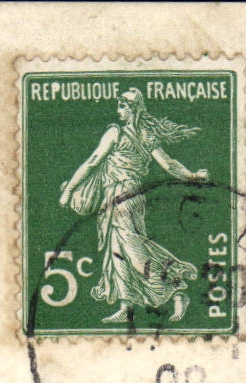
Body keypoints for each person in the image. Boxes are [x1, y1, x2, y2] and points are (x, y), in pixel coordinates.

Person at [59, 87, 208, 323]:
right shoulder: (144, 135)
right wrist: (192, 176)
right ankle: (126, 307)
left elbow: (93, 161)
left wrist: (69, 190)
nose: (120, 109)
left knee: (133, 251)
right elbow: (168, 164)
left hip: (122, 196)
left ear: (135, 109)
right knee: (118, 251)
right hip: (127, 197)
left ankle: (177, 289)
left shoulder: (115, 133)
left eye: (124, 105)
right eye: (120, 104)